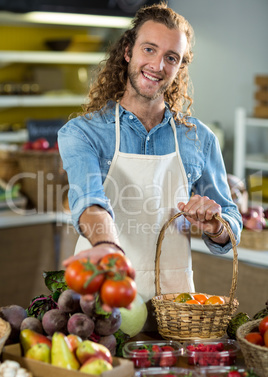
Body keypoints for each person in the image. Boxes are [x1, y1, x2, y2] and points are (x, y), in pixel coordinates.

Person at [58, 1, 242, 323]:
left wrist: (214, 226)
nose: (158, 65)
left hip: (175, 308)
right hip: (103, 302)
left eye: (171, 58)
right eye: (149, 49)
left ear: (179, 67)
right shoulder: (83, 133)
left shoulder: (199, 138)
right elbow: (88, 199)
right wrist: (107, 248)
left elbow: (231, 220)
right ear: (128, 51)